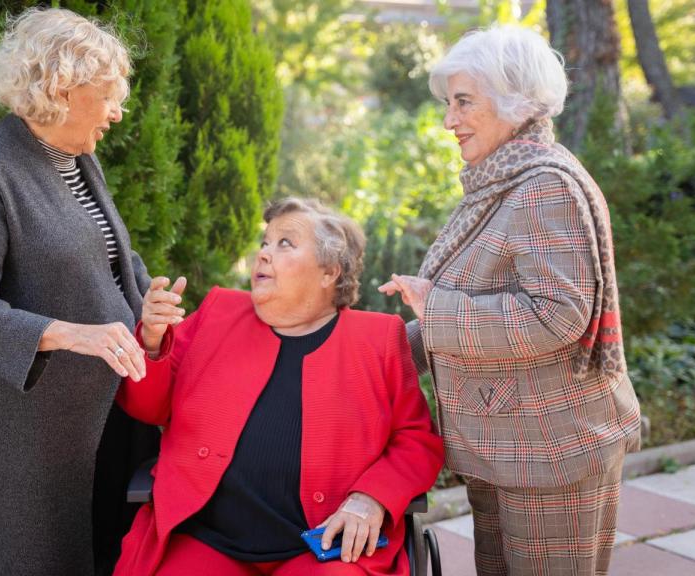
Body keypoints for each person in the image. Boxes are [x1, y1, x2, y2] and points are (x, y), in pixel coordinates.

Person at [378, 26, 641, 576]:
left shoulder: (544, 187)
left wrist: (436, 308)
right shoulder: (501, 182)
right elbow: (479, 303)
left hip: (552, 454)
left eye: (464, 102)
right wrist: (373, 352)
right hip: (510, 448)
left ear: (512, 99)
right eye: (449, 103)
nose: (449, 120)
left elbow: (558, 315)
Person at [111, 198, 445, 576]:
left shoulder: (378, 339)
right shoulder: (219, 312)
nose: (265, 254)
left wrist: (371, 498)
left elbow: (416, 441)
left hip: (324, 544)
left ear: (329, 272)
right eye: (265, 242)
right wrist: (152, 341)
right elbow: (149, 407)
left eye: (285, 243)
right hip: (208, 536)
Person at [0, 7, 160, 575]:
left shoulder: (77, 159)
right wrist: (68, 335)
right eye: (108, 95)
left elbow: (108, 260)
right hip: (35, 433)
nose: (117, 111)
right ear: (61, 88)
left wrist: (148, 307)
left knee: (112, 553)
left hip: (110, 407)